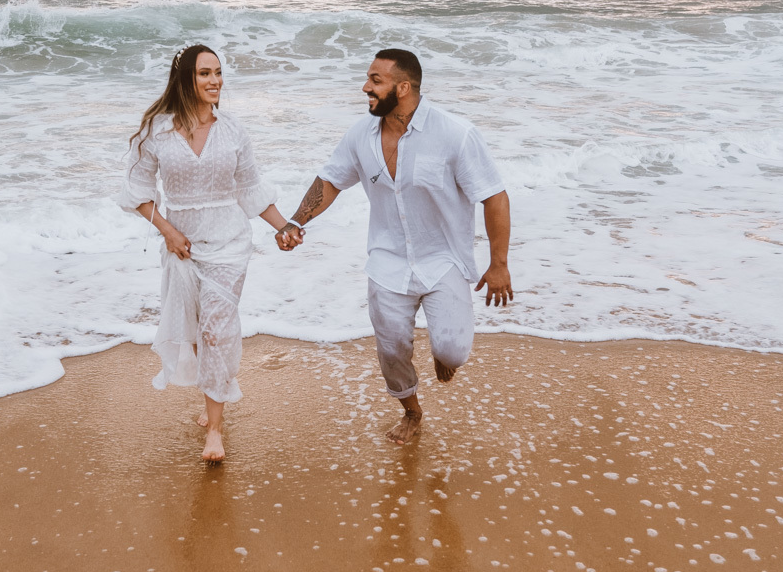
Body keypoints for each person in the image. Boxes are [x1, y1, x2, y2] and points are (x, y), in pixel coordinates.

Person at [277, 48, 512, 444]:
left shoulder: (455, 134)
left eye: (375, 80)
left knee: (453, 351)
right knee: (391, 349)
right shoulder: (360, 135)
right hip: (387, 260)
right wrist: (296, 221)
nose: (365, 87)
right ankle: (411, 411)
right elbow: (330, 180)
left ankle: (442, 351)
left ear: (403, 88)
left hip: (443, 259)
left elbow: (494, 196)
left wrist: (499, 264)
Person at [121, 44, 292, 463]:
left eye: (218, 72)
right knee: (200, 334)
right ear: (186, 79)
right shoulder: (158, 132)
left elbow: (251, 190)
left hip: (230, 245)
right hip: (184, 249)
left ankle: (215, 429)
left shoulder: (233, 131)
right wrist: (168, 232)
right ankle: (212, 394)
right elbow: (137, 192)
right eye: (204, 73)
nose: (215, 81)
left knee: (217, 331)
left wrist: (284, 226)